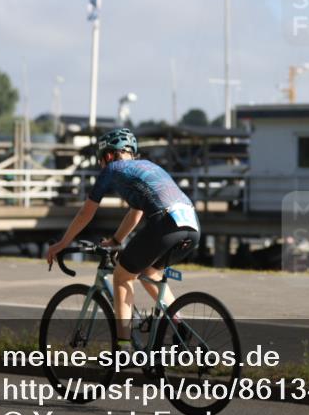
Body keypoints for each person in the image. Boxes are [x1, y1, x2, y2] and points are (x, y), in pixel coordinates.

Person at [45, 128, 200, 350]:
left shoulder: (113, 170)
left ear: (108, 156)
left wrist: (63, 243)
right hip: (192, 226)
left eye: (101, 160)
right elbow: (136, 211)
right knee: (149, 272)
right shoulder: (148, 167)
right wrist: (117, 239)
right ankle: (179, 324)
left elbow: (85, 213)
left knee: (122, 276)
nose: (102, 164)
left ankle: (124, 347)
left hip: (165, 225)